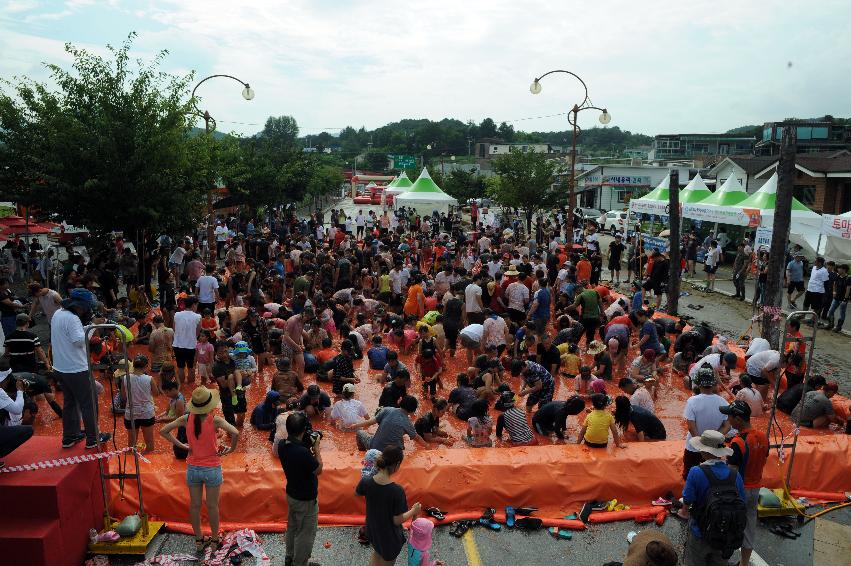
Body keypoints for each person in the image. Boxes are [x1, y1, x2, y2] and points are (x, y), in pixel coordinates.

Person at [160, 386, 239, 554]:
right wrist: (231, 450)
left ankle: (198, 540)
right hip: (211, 468)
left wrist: (183, 446)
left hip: (193, 468)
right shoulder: (214, 420)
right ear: (209, 404)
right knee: (212, 506)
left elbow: (163, 431)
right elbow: (235, 432)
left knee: (194, 506)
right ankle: (215, 540)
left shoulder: (186, 418)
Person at [53, 288, 110, 449]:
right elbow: (79, 341)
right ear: (80, 306)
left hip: (60, 367)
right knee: (89, 403)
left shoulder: (59, 314)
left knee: (70, 402)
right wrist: (92, 326)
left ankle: (69, 436)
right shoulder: (72, 319)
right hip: (76, 369)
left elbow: (72, 335)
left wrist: (89, 326)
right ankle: (93, 438)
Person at [681, 430, 747, 566]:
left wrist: (684, 511)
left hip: (700, 531)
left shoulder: (696, 472)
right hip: (725, 533)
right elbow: (742, 502)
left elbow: (687, 499)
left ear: (704, 451)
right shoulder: (735, 475)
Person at [720, 400, 769, 566]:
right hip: (755, 488)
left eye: (729, 416)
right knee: (749, 528)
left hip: (739, 490)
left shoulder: (738, 442)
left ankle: (722, 559)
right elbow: (764, 458)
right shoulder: (763, 437)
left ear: (738, 419)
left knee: (727, 524)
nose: (727, 419)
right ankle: (744, 563)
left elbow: (732, 471)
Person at [356, 446, 421, 566]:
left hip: (373, 529)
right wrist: (414, 511)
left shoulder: (366, 481)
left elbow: (358, 492)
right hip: (389, 536)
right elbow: (397, 520)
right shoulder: (397, 491)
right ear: (397, 465)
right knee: (386, 560)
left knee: (377, 553)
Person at [278, 412, 323, 566]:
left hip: (292, 494)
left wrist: (306, 444)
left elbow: (297, 450)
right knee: (305, 533)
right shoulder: (303, 453)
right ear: (304, 430)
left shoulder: (282, 445)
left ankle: (289, 557)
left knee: (292, 526)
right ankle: (300, 562)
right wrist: (316, 448)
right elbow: (318, 470)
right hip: (306, 499)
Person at [682, 368, 731, 480]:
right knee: (711, 477)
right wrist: (714, 439)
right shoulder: (722, 402)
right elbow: (727, 425)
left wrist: (701, 443)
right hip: (714, 449)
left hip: (694, 448)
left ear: (698, 383)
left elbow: (691, 427)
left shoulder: (692, 401)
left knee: (690, 477)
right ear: (714, 383)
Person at [352, 395, 427, 451]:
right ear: (412, 411)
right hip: (392, 454)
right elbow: (417, 438)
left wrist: (356, 425)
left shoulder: (387, 410)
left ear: (401, 402)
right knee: (399, 441)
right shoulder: (408, 423)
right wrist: (428, 447)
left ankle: (362, 454)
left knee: (360, 432)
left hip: (374, 448)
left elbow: (370, 422)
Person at [123, 354, 161, 454]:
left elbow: (123, 395)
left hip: (131, 412)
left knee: (131, 444)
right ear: (146, 366)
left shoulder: (125, 378)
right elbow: (156, 394)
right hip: (146, 412)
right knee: (149, 444)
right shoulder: (149, 379)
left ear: (134, 365)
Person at [172, 297, 202, 386]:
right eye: (196, 305)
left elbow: (174, 329)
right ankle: (190, 388)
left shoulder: (177, 314)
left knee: (180, 367)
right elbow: (197, 332)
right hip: (191, 346)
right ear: (193, 305)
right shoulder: (198, 317)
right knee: (191, 367)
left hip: (178, 345)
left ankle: (182, 387)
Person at [824, 263, 849, 332]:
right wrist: (834, 292)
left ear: (844, 270)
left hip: (843, 299)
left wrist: (845, 299)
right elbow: (834, 284)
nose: (838, 270)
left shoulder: (848, 279)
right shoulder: (838, 276)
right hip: (836, 298)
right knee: (831, 310)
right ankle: (830, 324)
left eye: (840, 268)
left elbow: (848, 290)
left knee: (842, 313)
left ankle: (838, 327)